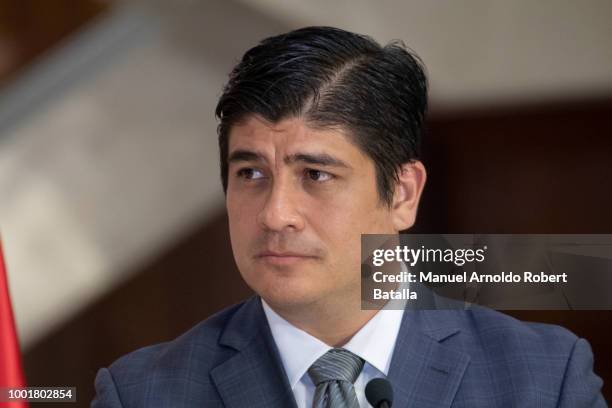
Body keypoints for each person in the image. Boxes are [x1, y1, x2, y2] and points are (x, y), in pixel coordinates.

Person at [92, 26, 605, 407]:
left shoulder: (542, 378)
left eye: (315, 174)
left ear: (403, 193)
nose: (276, 214)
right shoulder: (142, 392)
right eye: (251, 173)